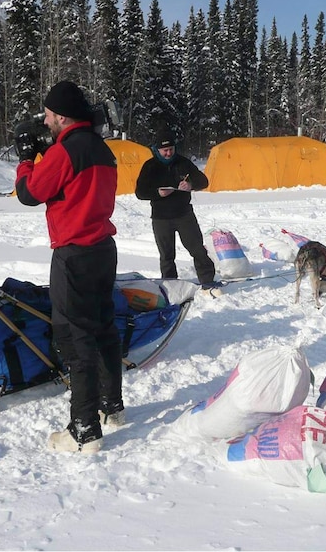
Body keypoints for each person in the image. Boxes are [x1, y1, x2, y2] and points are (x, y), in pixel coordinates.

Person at [14, 80, 124, 455]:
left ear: (61, 115)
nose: (44, 122)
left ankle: (84, 430)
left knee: (75, 337)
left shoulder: (66, 151)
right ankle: (111, 407)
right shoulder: (101, 148)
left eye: (47, 116)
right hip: (102, 248)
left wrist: (26, 160)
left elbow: (30, 194)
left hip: (74, 252)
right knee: (104, 327)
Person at [135, 129, 218, 290]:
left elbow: (204, 181)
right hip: (160, 218)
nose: (168, 153)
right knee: (166, 255)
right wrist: (157, 193)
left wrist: (191, 185)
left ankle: (208, 281)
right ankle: (170, 285)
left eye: (171, 149)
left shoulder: (183, 163)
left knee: (197, 249)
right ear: (156, 150)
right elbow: (140, 192)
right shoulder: (150, 166)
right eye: (164, 150)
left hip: (184, 215)